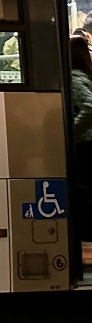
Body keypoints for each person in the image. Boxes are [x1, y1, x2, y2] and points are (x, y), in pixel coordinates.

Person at [69, 36, 92, 246]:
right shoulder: (85, 76)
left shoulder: (74, 78)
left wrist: (70, 134)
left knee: (82, 192)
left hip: (84, 145)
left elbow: (88, 108)